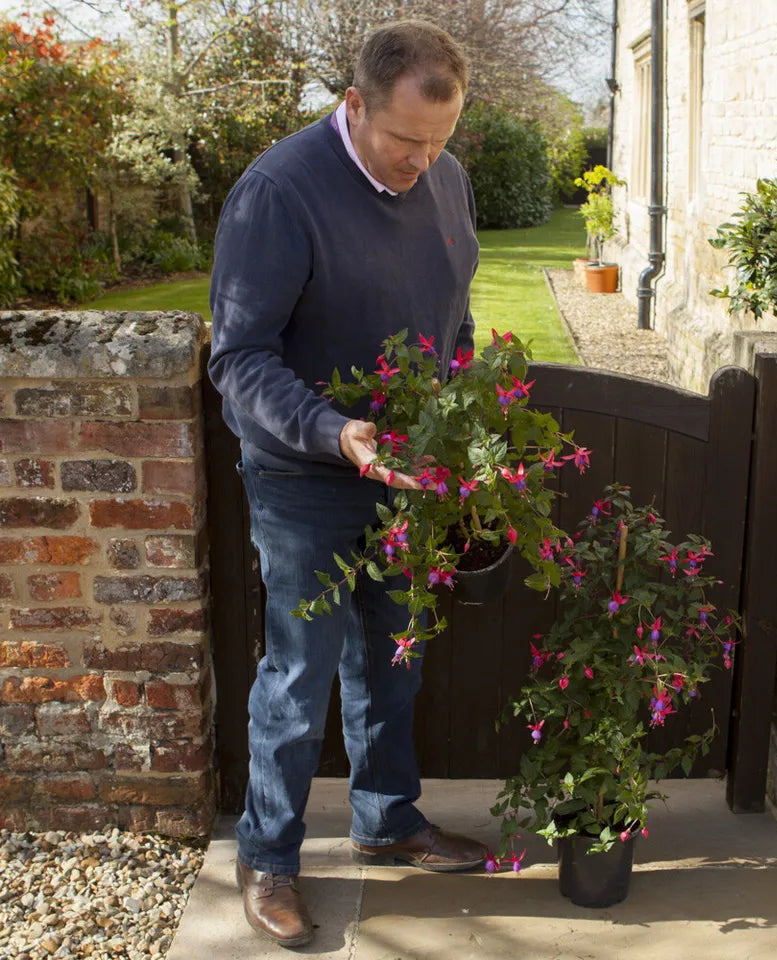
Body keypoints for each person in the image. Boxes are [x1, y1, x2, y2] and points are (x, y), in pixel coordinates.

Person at [208, 19, 486, 948]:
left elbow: (455, 316)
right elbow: (240, 359)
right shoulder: (277, 192)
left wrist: (461, 417)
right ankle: (269, 858)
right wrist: (335, 432)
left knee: (394, 656)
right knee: (300, 674)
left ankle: (388, 820)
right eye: (406, 141)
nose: (423, 162)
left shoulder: (445, 176)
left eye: (439, 143)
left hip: (408, 472)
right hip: (304, 476)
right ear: (355, 105)